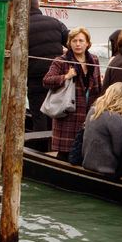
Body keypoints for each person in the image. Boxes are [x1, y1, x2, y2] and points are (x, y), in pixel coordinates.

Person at [43, 26, 102, 161]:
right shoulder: (61, 61)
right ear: (69, 43)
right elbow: (46, 81)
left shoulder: (94, 60)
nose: (78, 44)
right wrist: (65, 77)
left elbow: (98, 87)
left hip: (87, 113)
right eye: (74, 41)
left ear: (87, 43)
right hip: (67, 115)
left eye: (81, 41)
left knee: (82, 150)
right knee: (64, 154)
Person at [27, 0, 69, 132]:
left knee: (39, 114)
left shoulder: (21, 25)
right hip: (57, 74)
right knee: (54, 111)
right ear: (38, 5)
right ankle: (52, 145)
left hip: (35, 77)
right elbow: (70, 40)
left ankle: (40, 148)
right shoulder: (55, 22)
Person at [80, 82, 122, 176]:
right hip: (106, 169)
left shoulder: (93, 110)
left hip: (87, 162)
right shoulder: (114, 117)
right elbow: (119, 150)